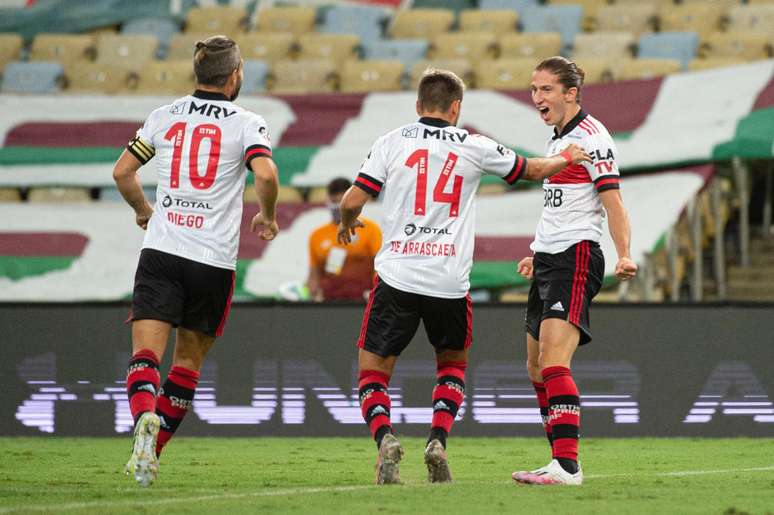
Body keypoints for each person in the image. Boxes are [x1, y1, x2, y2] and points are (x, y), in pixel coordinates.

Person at [336, 68, 592, 485]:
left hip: (397, 275)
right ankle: (437, 439)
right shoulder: (474, 144)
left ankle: (385, 439)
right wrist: (567, 157)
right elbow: (532, 170)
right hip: (448, 281)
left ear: (418, 106)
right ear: (456, 108)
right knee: (451, 366)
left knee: (372, 373)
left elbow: (352, 199)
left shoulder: (391, 141)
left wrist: (347, 222)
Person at [112, 35, 280, 487]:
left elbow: (122, 171)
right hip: (211, 261)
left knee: (146, 353)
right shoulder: (246, 122)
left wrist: (143, 212)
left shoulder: (164, 116)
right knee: (186, 363)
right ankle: (151, 453)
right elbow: (264, 172)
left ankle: (142, 418)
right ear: (234, 75)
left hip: (162, 251)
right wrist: (266, 215)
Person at [511, 56, 638, 486]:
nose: (536, 98)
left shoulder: (593, 138)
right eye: (533, 89)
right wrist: (537, 251)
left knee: (552, 360)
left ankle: (567, 466)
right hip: (549, 257)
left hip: (577, 254)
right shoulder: (557, 142)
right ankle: (558, 461)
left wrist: (623, 253)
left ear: (571, 93)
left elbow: (612, 202)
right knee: (534, 367)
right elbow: (558, 206)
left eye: (545, 89)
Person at [307, 177, 381, 301]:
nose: (338, 207)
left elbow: (379, 267)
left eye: (341, 201)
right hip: (330, 300)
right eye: (334, 201)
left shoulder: (370, 229)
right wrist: (312, 293)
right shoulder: (317, 235)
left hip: (363, 299)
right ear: (328, 201)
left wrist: (378, 295)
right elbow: (315, 273)